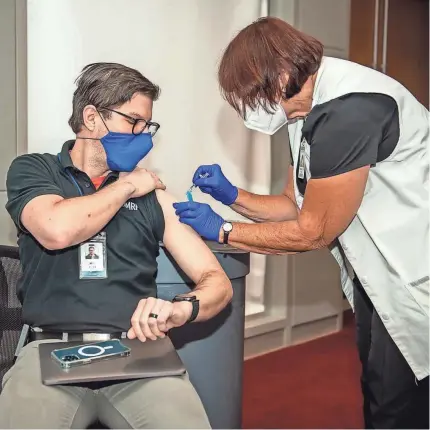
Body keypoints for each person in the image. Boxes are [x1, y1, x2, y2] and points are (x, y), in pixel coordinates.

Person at [174, 17, 429, 429]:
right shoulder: (304, 113)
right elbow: (296, 206)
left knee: (399, 405)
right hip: (376, 275)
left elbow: (313, 230)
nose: (252, 109)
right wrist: (230, 195)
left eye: (253, 95)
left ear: (283, 75)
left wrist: (222, 230)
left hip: (411, 275)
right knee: (380, 387)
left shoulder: (350, 110)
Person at [0, 62, 233, 429]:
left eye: (148, 126)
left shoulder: (153, 199)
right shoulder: (35, 171)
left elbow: (216, 282)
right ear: (91, 117)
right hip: (50, 351)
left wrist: (180, 310)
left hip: (138, 354)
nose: (144, 136)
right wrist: (126, 186)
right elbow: (55, 229)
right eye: (133, 122)